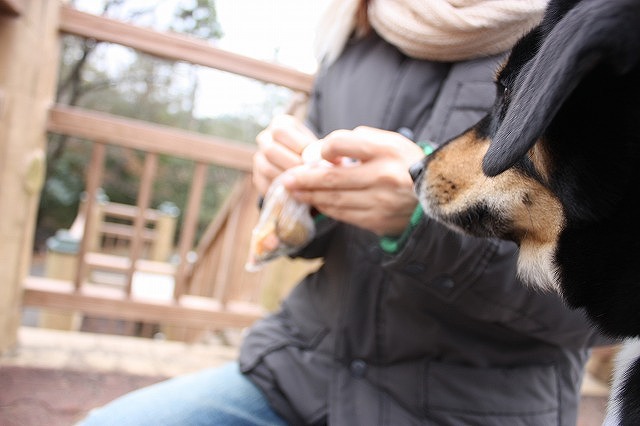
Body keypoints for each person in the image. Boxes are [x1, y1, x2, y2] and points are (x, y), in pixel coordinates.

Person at [79, 0, 612, 424]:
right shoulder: (352, 34)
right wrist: (287, 194)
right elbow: (307, 237)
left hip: (475, 407)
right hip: (299, 373)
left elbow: (599, 317)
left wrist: (420, 226)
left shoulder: (581, 48)